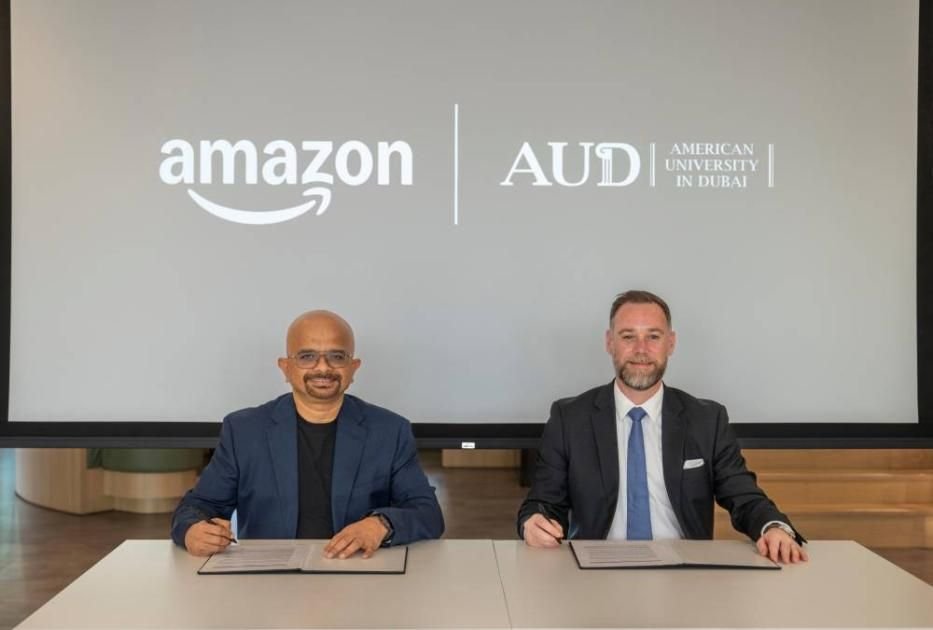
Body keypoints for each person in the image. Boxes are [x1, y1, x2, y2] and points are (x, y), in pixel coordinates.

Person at [517, 290, 807, 564]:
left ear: (671, 343)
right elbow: (542, 503)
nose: (641, 350)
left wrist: (773, 526)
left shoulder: (707, 420)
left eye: (653, 337)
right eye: (628, 336)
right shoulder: (570, 419)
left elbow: (743, 495)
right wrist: (533, 522)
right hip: (594, 569)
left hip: (685, 572)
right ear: (609, 342)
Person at [172, 310, 444, 558]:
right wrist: (192, 531)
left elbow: (428, 512)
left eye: (337, 356)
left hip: (358, 572)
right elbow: (199, 506)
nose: (323, 368)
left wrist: (381, 524)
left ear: (353, 367)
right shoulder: (244, 430)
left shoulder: (389, 430)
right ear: (285, 367)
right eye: (307, 357)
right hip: (267, 579)